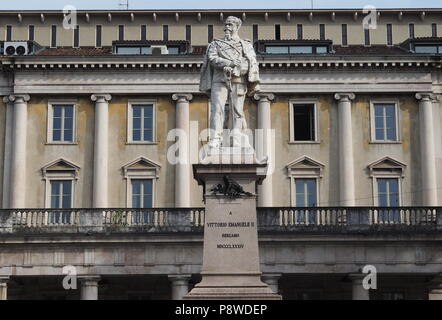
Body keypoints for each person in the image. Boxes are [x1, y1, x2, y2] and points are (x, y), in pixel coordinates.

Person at [200, 16, 260, 149]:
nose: (227, 27)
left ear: (237, 27)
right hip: (219, 79)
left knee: (237, 111)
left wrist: (236, 69)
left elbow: (250, 63)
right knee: (217, 109)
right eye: (226, 25)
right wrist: (228, 63)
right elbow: (212, 58)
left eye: (230, 25)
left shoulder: (246, 45)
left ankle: (236, 139)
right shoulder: (215, 44)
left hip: (238, 80)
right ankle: (215, 139)